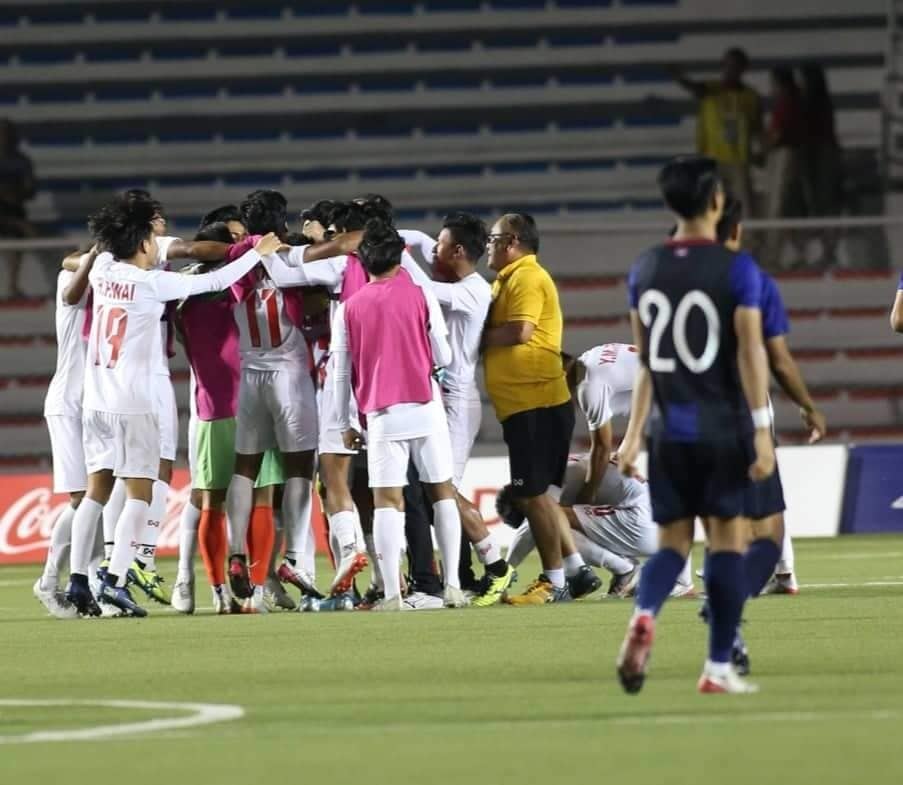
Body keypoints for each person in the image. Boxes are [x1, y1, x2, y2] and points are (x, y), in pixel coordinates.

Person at [64, 193, 277, 617]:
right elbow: (214, 282)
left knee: (97, 489)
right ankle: (116, 577)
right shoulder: (152, 283)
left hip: (96, 400)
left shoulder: (104, 269)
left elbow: (85, 264)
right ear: (143, 243)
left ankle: (78, 581)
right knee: (140, 493)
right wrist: (258, 252)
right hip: (133, 401)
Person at [616, 156, 774, 695]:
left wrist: (634, 435)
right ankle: (717, 668)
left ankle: (645, 612)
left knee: (671, 546)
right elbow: (752, 352)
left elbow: (647, 363)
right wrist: (760, 428)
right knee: (728, 544)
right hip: (722, 427)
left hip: (668, 432)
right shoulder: (736, 269)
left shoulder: (645, 268)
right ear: (715, 201)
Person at [330, 217, 467, 610]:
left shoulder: (349, 308)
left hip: (382, 416)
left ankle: (392, 593)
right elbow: (445, 355)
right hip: (426, 408)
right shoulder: (421, 295)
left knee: (387, 500)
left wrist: (345, 423)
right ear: (399, 259)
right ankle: (453, 586)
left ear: (363, 262)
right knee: (441, 492)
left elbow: (340, 373)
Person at [482, 213, 601, 604]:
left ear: (512, 241)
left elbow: (521, 331)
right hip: (531, 403)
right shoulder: (510, 278)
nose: (488, 244)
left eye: (493, 238)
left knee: (532, 496)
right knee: (541, 497)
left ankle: (554, 582)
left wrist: (474, 337)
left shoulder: (528, 278)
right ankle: (574, 572)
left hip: (534, 401)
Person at [399, 214, 516, 607]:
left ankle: (496, 566)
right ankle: (465, 576)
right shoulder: (460, 283)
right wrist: (412, 237)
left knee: (442, 490)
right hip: (443, 399)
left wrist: (399, 248)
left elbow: (420, 287)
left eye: (441, 244)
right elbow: (425, 257)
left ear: (460, 251)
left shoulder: (473, 290)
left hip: (456, 403)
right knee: (437, 491)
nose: (434, 249)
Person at [34, 246, 99, 618]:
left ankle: (90, 581)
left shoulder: (113, 285)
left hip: (96, 403)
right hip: (67, 402)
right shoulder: (71, 281)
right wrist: (95, 257)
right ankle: (47, 580)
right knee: (83, 499)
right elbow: (70, 264)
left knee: (97, 497)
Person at [674, 48, 762, 221]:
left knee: (744, 206)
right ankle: (715, 244)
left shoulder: (751, 96)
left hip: (739, 161)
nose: (731, 70)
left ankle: (751, 243)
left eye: (736, 66)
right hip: (713, 160)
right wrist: (679, 77)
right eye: (728, 65)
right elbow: (695, 88)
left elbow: (758, 127)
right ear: (722, 66)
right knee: (713, 207)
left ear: (744, 69)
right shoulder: (711, 89)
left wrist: (762, 152)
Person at [799, 64, 843, 266]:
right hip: (821, 156)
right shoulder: (819, 102)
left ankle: (827, 251)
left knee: (824, 206)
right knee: (821, 206)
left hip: (820, 156)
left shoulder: (813, 103)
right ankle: (826, 251)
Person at [763, 67, 806, 266]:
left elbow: (778, 135)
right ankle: (797, 252)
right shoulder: (792, 101)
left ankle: (774, 256)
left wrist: (763, 149)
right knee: (786, 207)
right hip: (788, 154)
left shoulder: (787, 102)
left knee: (778, 207)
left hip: (785, 154)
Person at [0, 119, 36, 299]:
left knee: (23, 232)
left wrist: (14, 193)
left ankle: (13, 286)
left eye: (5, 133)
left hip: (13, 211)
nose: (3, 138)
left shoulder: (21, 162)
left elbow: (31, 190)